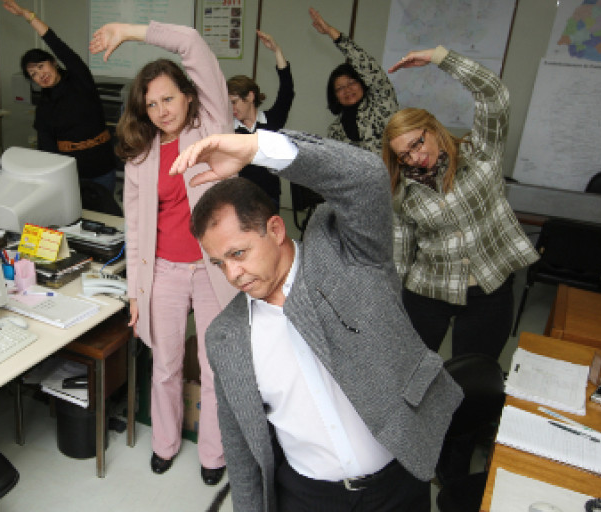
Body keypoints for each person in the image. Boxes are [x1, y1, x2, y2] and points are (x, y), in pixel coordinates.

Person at [170, 130, 462, 512]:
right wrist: (249, 504)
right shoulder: (226, 335)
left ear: (275, 229)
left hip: (395, 483)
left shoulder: (350, 255)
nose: (231, 275)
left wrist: (257, 149)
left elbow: (365, 177)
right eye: (218, 263)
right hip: (306, 497)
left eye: (238, 253)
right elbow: (235, 423)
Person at [89, 21, 237, 485]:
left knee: (216, 369)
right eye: (150, 104)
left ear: (189, 95)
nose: (160, 111)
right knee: (166, 366)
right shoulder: (141, 152)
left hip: (213, 270)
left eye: (167, 98)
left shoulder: (212, 128)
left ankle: (214, 454)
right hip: (166, 274)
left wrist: (130, 32)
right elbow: (135, 228)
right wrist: (137, 293)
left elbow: (192, 42)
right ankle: (165, 444)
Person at [382, 46, 538, 360]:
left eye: (418, 143)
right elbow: (401, 254)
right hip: (428, 288)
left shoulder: (480, 153)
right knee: (410, 369)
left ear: (433, 128)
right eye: (405, 154)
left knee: (474, 376)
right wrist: (390, 304)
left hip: (489, 287)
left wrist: (440, 57)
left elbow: (494, 95)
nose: (416, 157)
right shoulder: (402, 191)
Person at [3, 0, 117, 195]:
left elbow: (57, 44)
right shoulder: (44, 106)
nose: (40, 75)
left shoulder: (79, 79)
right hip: (70, 174)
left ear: (53, 62)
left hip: (102, 167)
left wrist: (28, 16)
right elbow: (47, 150)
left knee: (103, 215)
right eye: (34, 74)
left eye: (41, 67)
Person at [310, 7, 398, 155]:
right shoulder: (335, 130)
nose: (347, 90)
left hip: (392, 177)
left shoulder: (381, 104)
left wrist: (333, 34)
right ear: (335, 96)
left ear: (362, 82)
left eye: (351, 83)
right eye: (340, 88)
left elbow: (368, 67)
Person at [227, 30, 294, 207]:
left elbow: (287, 91)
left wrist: (277, 51)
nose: (232, 109)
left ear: (250, 97)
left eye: (234, 102)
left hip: (269, 197)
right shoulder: (228, 129)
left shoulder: (272, 121)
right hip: (238, 199)